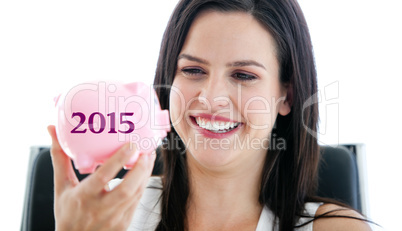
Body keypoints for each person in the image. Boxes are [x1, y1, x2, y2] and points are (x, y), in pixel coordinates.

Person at [47, 0, 373, 230]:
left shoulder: (336, 229)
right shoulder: (103, 215)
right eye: (192, 70)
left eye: (243, 75)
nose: (211, 98)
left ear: (286, 95)